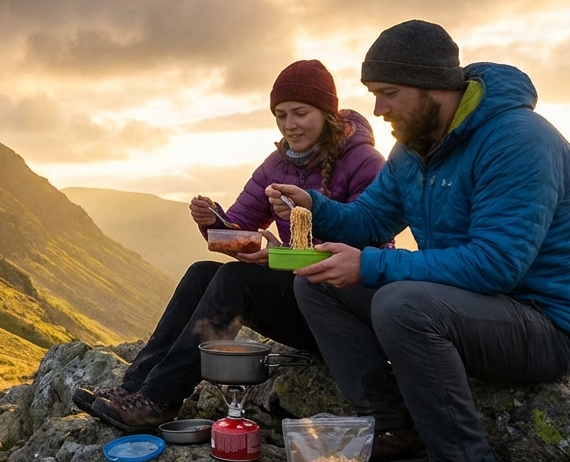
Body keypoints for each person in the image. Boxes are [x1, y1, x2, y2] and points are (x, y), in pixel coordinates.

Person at [266, 20, 570, 462]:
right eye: (374, 94)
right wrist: (314, 207)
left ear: (434, 88)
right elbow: (368, 219)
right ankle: (395, 429)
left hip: (545, 323)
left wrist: (373, 269)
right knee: (317, 282)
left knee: (403, 303)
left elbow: (497, 265)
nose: (378, 110)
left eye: (389, 93)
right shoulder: (413, 147)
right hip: (471, 308)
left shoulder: (519, 140)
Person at [74, 59, 386, 431]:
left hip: (339, 308)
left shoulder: (364, 161)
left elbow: (366, 240)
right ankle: (134, 388)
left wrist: (281, 251)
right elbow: (240, 227)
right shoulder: (277, 164)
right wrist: (214, 223)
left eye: (301, 113)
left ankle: (159, 400)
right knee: (201, 273)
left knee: (235, 281)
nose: (290, 125)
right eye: (281, 115)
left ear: (327, 113)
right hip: (298, 292)